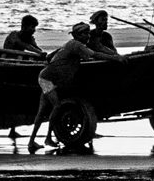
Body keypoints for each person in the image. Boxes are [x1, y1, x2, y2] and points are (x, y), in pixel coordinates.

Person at [28, 22, 125, 153]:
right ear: (77, 35)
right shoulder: (76, 45)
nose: (88, 36)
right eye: (85, 34)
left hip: (48, 77)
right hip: (47, 80)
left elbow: (50, 56)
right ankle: (48, 138)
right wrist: (115, 58)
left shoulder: (71, 44)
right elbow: (95, 54)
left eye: (88, 33)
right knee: (57, 107)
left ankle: (32, 141)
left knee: (42, 111)